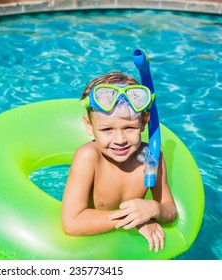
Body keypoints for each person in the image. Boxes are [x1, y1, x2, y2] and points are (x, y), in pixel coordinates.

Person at [61, 71, 177, 252]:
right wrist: (134, 221)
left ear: (144, 122)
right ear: (89, 126)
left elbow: (170, 211)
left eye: (129, 128)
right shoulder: (88, 157)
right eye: (107, 129)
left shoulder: (151, 157)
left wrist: (154, 209)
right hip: (89, 247)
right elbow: (72, 223)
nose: (120, 139)